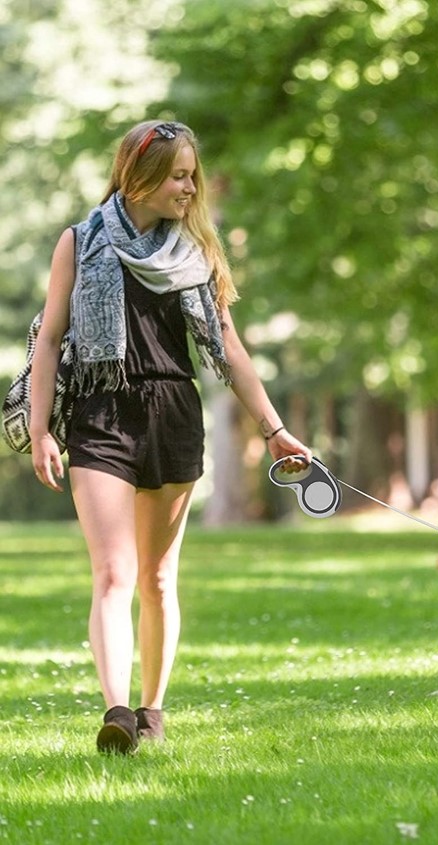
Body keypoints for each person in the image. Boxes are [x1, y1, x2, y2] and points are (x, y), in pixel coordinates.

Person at [28, 120, 312, 754]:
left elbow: (229, 348)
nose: (189, 188)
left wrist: (275, 430)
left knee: (157, 579)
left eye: (192, 176)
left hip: (173, 412)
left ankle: (153, 709)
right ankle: (118, 711)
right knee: (113, 573)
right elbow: (49, 339)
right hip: (100, 415)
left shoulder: (195, 250)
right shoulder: (79, 242)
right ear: (141, 177)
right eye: (179, 176)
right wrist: (42, 427)